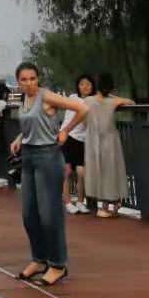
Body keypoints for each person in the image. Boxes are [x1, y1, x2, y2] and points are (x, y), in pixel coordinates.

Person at [9, 62, 88, 288]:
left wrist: (65, 130)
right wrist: (19, 138)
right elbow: (31, 124)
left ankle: (58, 265)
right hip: (28, 157)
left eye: (32, 78)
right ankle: (39, 259)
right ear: (18, 82)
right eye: (24, 80)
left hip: (48, 156)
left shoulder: (46, 96)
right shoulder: (24, 99)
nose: (29, 83)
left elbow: (82, 108)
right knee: (29, 214)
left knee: (49, 214)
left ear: (38, 79)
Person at [65, 72, 135, 218]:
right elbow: (131, 102)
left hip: (92, 140)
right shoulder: (113, 101)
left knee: (98, 172)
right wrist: (113, 97)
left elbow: (83, 120)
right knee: (111, 171)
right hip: (110, 139)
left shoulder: (88, 101)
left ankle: (104, 206)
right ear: (111, 88)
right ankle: (113, 201)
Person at [59, 75, 94, 213]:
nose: (85, 87)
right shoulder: (73, 98)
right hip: (67, 137)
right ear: (78, 87)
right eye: (82, 84)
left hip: (81, 140)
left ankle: (80, 202)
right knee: (66, 171)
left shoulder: (93, 101)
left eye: (88, 84)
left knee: (81, 173)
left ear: (93, 86)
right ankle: (68, 203)